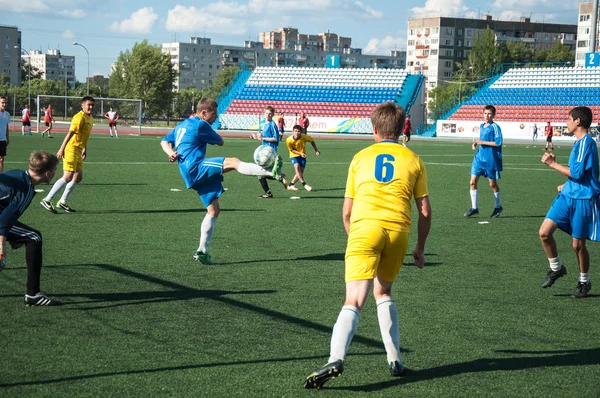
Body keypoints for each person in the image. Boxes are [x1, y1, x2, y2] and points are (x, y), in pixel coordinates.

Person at [304, 102, 432, 389]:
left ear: (374, 129)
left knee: (354, 300)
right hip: (398, 231)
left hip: (365, 228)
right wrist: (420, 248)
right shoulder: (414, 160)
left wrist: (357, 239)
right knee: (383, 292)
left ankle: (336, 358)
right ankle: (395, 358)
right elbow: (424, 210)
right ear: (401, 130)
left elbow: (346, 212)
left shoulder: (360, 157)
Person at [161, 98, 285, 265]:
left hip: (187, 171)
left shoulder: (183, 124)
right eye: (214, 114)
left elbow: (164, 141)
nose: (215, 118)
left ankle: (202, 252)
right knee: (233, 162)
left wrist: (171, 152)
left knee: (213, 210)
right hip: (196, 167)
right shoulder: (200, 124)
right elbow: (220, 142)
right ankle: (271, 172)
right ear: (204, 113)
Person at [539, 107, 599, 299]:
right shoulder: (579, 143)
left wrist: (552, 164)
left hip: (582, 200)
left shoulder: (585, 143)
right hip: (567, 196)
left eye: (568, 118)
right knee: (544, 232)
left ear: (578, 122)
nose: (566, 122)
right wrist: (567, 185)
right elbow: (583, 174)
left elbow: (578, 173)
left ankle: (584, 281)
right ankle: (557, 268)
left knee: (577, 245)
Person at [0, 150, 61, 306]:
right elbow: (4, 221)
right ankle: (33, 295)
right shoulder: (26, 189)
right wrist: (1, 248)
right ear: (47, 174)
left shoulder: (17, 174)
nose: (54, 174)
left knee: (27, 235)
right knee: (34, 237)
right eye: (54, 171)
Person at [40, 96, 95, 214]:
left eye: (92, 105)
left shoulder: (90, 119)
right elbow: (70, 133)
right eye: (88, 104)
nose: (90, 107)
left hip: (79, 150)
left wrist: (85, 148)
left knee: (78, 177)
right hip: (71, 149)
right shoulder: (78, 118)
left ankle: (62, 202)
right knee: (68, 176)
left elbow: (84, 135)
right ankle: (47, 200)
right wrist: (62, 148)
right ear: (82, 105)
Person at [464, 105, 503, 218]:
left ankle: (497, 206)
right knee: (472, 182)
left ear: (493, 115)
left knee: (492, 184)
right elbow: (482, 141)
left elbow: (498, 143)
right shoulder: (482, 126)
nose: (487, 115)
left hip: (490, 160)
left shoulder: (495, 127)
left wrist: (482, 142)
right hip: (479, 159)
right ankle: (474, 208)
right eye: (485, 113)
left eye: (489, 114)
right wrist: (476, 143)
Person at [251, 105, 288, 198]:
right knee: (261, 174)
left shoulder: (272, 124)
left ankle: (279, 179)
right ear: (264, 114)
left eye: (270, 114)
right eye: (266, 113)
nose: (268, 115)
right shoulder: (266, 124)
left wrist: (263, 137)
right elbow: (264, 140)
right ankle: (271, 189)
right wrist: (257, 137)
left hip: (270, 153)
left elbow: (276, 139)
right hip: (265, 152)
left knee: (260, 173)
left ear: (273, 115)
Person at [286, 125, 320, 191]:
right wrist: (300, 153)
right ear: (292, 132)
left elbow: (312, 141)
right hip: (294, 155)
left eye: (298, 131)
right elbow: (291, 150)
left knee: (300, 172)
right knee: (297, 166)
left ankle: (291, 185)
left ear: (301, 132)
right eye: (295, 131)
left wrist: (316, 150)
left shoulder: (304, 137)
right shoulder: (288, 140)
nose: (297, 133)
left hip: (302, 155)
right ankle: (304, 184)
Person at [0, 96, 10, 173]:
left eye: (5, 102)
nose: (4, 104)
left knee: (1, 158)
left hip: (2, 139)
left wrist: (8, 138)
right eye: (2, 102)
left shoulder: (7, 114)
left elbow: (6, 127)